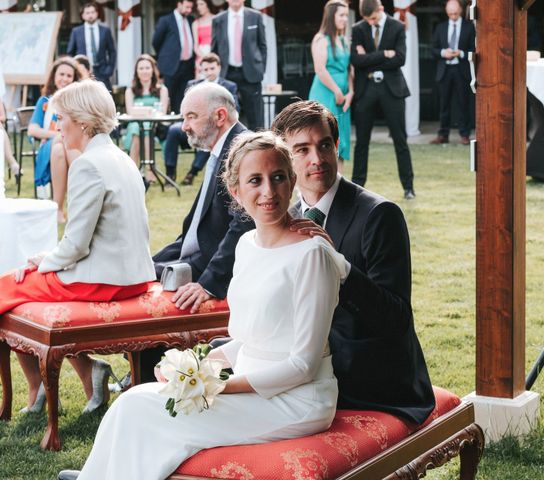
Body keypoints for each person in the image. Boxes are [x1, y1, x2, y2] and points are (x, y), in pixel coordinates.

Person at [57, 130, 344, 480]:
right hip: (249, 381)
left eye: (278, 177)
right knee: (132, 402)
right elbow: (251, 341)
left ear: (292, 181)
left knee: (144, 411)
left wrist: (213, 385)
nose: (268, 191)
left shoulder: (311, 255)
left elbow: (301, 365)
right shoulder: (247, 244)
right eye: (255, 180)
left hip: (298, 400)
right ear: (236, 192)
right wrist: (194, 367)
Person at [272, 100, 435, 424]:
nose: (316, 159)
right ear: (285, 160)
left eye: (324, 145)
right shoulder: (286, 217)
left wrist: (340, 268)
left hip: (369, 374)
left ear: (336, 145)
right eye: (302, 150)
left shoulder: (379, 215)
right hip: (305, 361)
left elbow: (396, 319)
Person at [0, 80, 156, 414]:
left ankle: (36, 387)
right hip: (135, 275)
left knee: (6, 289)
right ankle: (87, 371)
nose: (57, 126)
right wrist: (48, 260)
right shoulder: (121, 158)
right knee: (19, 284)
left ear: (82, 121)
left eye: (61, 118)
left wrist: (43, 262)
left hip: (104, 278)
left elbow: (75, 247)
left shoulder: (88, 163)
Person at [136, 82, 253, 381]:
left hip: (216, 269)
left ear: (220, 116)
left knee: (149, 309)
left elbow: (243, 225)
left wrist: (209, 285)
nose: (184, 126)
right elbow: (197, 227)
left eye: (191, 117)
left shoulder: (244, 148)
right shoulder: (222, 148)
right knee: (136, 276)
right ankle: (142, 375)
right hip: (196, 256)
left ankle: (149, 378)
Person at [350, 0, 415, 199]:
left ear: (381, 10)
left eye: (373, 18)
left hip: (392, 89)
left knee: (400, 139)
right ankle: (356, 187)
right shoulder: (358, 28)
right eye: (367, 20)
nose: (370, 23)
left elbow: (400, 58)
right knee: (362, 141)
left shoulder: (397, 26)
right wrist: (384, 54)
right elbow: (356, 60)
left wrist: (370, 57)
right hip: (366, 89)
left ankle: (408, 187)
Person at [162, 53, 238, 183]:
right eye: (206, 69)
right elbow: (186, 107)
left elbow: (234, 109)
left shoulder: (229, 86)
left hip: (213, 125)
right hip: (192, 123)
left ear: (219, 68)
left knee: (209, 131)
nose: (209, 72)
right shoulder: (193, 84)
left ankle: (192, 172)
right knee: (173, 130)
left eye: (212, 68)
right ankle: (170, 174)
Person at [28, 57, 81, 223]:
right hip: (49, 148)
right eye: (61, 74)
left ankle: (59, 208)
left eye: (69, 76)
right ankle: (61, 208)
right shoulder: (44, 102)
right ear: (54, 76)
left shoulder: (78, 102)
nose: (64, 79)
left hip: (70, 147)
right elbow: (32, 129)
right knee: (58, 145)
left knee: (61, 148)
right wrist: (57, 135)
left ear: (74, 80)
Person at [308, 0, 353, 172]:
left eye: (346, 16)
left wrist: (351, 92)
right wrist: (337, 91)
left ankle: (339, 185)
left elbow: (350, 69)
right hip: (326, 94)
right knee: (322, 138)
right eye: (341, 15)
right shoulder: (321, 39)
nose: (345, 19)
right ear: (331, 16)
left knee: (341, 142)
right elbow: (320, 69)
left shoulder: (344, 40)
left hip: (343, 98)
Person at [212, 0, 267, 131]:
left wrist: (260, 69)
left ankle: (259, 148)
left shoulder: (255, 16)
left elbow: (263, 46)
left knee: (255, 117)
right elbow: (214, 48)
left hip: (251, 73)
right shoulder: (218, 20)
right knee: (226, 116)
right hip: (227, 73)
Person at [430, 0, 476, 146]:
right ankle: (443, 134)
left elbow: (475, 50)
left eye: (455, 13)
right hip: (445, 70)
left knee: (464, 104)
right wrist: (444, 52)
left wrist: (461, 53)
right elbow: (433, 49)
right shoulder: (440, 27)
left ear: (460, 11)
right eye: (450, 14)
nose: (453, 16)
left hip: (461, 69)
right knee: (444, 104)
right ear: (446, 12)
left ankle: (464, 134)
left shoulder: (469, 27)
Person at [122, 54, 169, 175]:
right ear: (136, 72)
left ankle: (144, 170)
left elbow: (162, 112)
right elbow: (130, 112)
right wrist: (149, 111)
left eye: (147, 68)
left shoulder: (162, 89)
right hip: (135, 124)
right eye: (141, 68)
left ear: (153, 70)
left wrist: (142, 111)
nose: (144, 71)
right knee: (136, 128)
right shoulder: (130, 91)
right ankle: (137, 171)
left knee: (146, 126)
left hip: (156, 126)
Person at [152, 0, 196, 115]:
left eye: (191, 8)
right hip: (170, 66)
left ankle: (181, 127)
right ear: (179, 4)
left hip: (188, 66)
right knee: (168, 98)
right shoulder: (166, 20)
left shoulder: (191, 20)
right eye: (187, 7)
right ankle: (166, 130)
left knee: (184, 99)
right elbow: (156, 42)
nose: (189, 11)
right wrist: (166, 56)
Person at [66, 2, 117, 90]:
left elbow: (112, 51)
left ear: (97, 13)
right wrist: (75, 69)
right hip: (82, 72)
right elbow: (70, 52)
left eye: (93, 12)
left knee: (104, 97)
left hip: (102, 72)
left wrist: (109, 69)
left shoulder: (105, 31)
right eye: (87, 13)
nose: (90, 15)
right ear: (83, 15)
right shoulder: (76, 31)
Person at [192, 0, 215, 69]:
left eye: (201, 4)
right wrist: (204, 57)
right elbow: (196, 45)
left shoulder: (217, 19)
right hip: (201, 56)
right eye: (197, 5)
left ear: (208, 4)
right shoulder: (195, 23)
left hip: (214, 55)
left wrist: (212, 56)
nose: (199, 7)